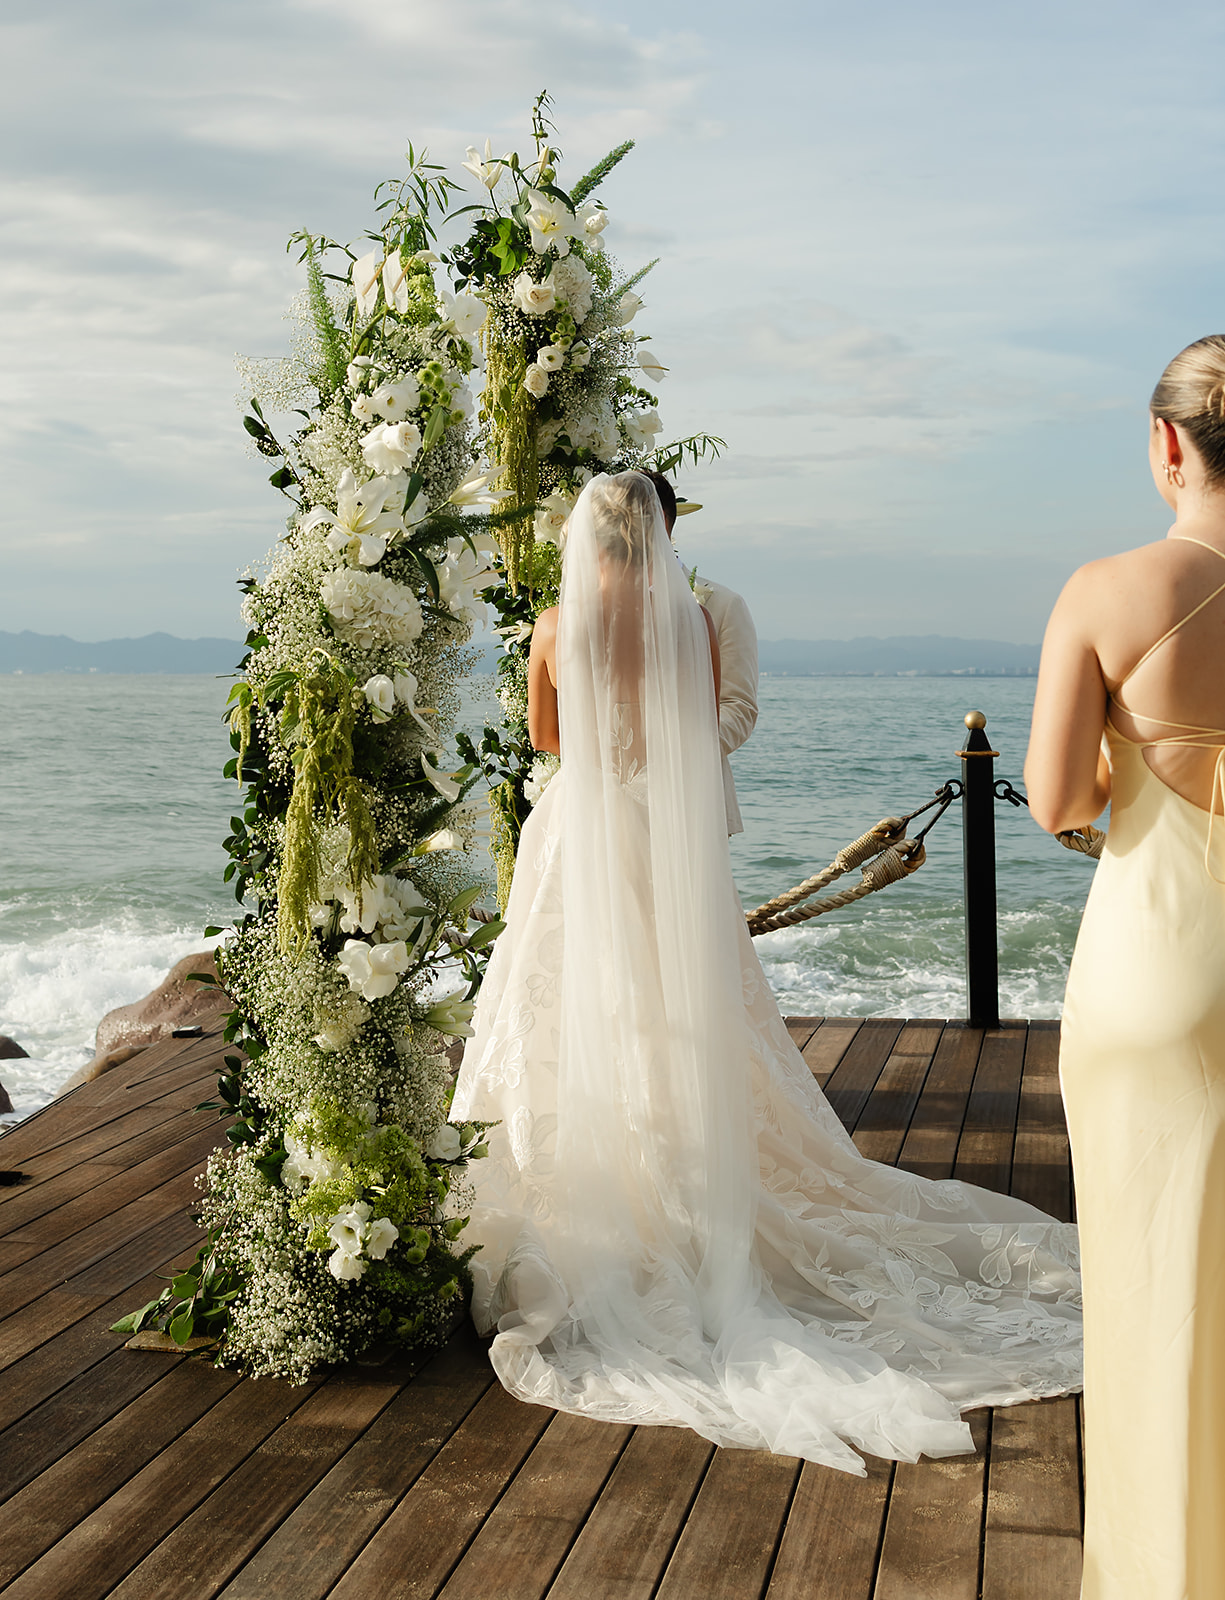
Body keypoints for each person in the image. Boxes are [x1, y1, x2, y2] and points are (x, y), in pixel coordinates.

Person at [453, 471, 1080, 1475]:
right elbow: (696, 735)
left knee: (564, 1006)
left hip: (579, 830)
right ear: (657, 531)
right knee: (683, 1008)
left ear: (582, 538)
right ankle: (689, 1173)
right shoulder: (694, 621)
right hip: (662, 830)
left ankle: (599, 1177)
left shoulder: (549, 624)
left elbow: (544, 738)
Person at [1025, 335, 1225, 1600]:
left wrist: (1128, 781)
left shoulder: (1107, 590)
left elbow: (1054, 796)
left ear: (1167, 444)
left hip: (1158, 967)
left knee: (1156, 1300)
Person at [643, 469, 758, 836]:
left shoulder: (723, 605)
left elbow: (739, 707)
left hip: (692, 797)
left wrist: (678, 755)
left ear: (660, 521)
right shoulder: (594, 608)